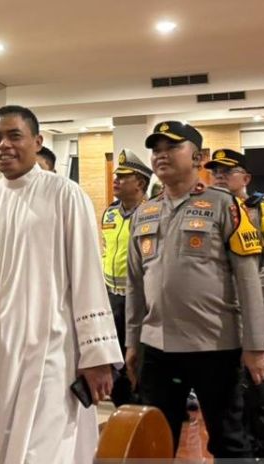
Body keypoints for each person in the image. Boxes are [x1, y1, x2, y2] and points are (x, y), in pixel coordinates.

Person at [0, 106, 117, 464]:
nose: (3, 145)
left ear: (37, 142)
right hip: (1, 353)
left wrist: (96, 356)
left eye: (14, 136)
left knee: (48, 449)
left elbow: (87, 276)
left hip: (55, 351)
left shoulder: (66, 195)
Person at [126, 121, 264, 458]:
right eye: (156, 150)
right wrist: (132, 342)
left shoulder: (224, 205)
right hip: (158, 347)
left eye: (172, 147)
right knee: (156, 439)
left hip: (215, 344)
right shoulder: (144, 213)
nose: (161, 155)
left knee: (229, 440)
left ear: (197, 156)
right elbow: (135, 286)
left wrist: (256, 346)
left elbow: (248, 279)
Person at [206, 149, 264, 462]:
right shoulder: (211, 210)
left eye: (227, 171)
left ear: (246, 178)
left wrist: (240, 294)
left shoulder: (263, 211)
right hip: (224, 325)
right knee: (229, 407)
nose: (219, 177)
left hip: (263, 320)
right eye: (215, 171)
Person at [102, 149, 151, 406]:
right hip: (112, 297)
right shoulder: (110, 213)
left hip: (141, 300)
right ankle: (122, 407)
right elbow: (105, 249)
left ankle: (144, 409)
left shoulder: (152, 213)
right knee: (115, 356)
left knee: (139, 359)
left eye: (124, 176)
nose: (116, 180)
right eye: (116, 176)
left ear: (140, 183)